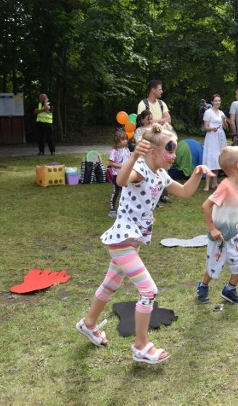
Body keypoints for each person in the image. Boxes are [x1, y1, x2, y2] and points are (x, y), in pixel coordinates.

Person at [76, 123, 211, 364]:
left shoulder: (160, 174)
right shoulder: (139, 169)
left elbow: (185, 192)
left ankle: (89, 324)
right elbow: (121, 179)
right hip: (122, 241)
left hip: (133, 240)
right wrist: (134, 155)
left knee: (110, 284)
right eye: (170, 150)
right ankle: (141, 345)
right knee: (148, 291)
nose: (174, 155)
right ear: (151, 152)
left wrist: (197, 174)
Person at [197, 146, 238, 305]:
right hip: (219, 236)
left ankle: (230, 290)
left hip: (233, 234)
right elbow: (206, 206)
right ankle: (203, 286)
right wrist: (212, 229)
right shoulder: (225, 186)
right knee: (213, 266)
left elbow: (229, 211)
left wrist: (236, 224)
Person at [202, 94, 228, 191]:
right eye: (216, 100)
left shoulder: (221, 112)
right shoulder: (208, 112)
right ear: (212, 102)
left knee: (218, 158)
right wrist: (212, 129)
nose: (218, 102)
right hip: (212, 137)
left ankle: (214, 182)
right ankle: (207, 184)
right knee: (211, 158)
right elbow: (206, 127)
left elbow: (225, 127)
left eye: (219, 100)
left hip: (220, 137)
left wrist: (224, 120)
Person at [107, 129, 132, 218]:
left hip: (126, 174)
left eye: (126, 139)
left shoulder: (127, 150)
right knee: (116, 191)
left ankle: (125, 209)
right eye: (123, 139)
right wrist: (121, 166)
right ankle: (112, 209)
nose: (125, 141)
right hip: (116, 175)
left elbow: (129, 160)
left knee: (126, 191)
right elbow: (110, 163)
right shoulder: (114, 151)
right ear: (117, 140)